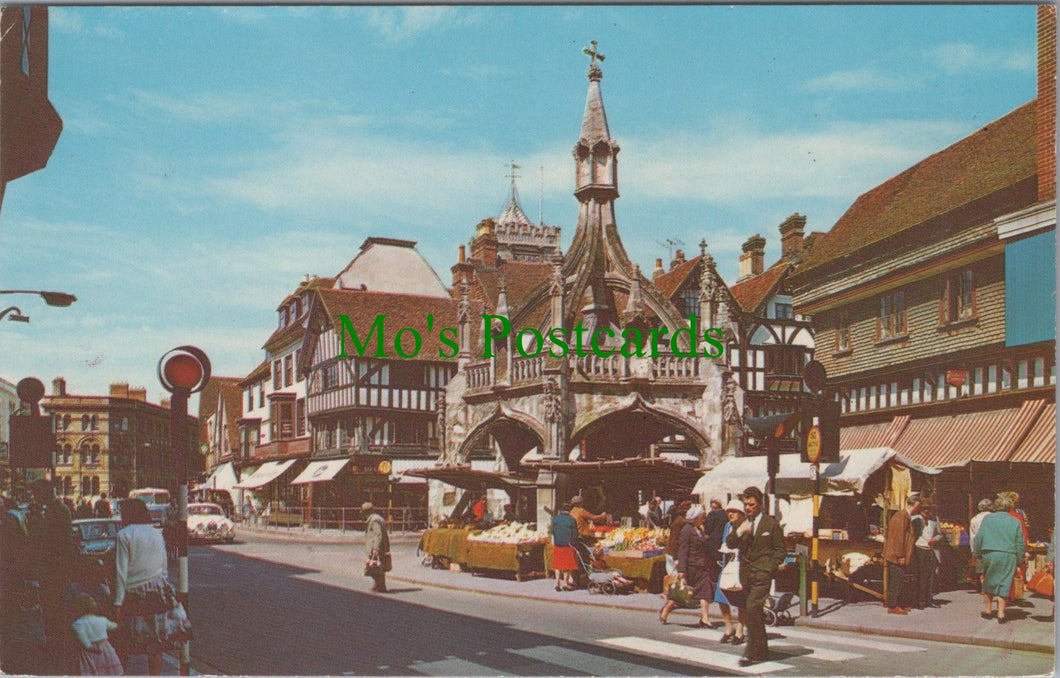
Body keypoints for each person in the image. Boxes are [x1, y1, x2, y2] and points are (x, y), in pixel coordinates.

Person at [114, 498, 191, 675]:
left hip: (133, 596)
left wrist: (117, 603)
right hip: (158, 594)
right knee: (155, 646)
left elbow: (120, 573)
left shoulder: (124, 535)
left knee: (124, 644)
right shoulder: (157, 534)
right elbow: (163, 567)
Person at [725, 487, 787, 668]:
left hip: (762, 574)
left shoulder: (770, 524)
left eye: (751, 504)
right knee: (756, 613)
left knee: (752, 609)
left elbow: (780, 550)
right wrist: (739, 531)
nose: (748, 508)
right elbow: (729, 543)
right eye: (746, 504)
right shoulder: (741, 522)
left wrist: (770, 567)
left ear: (760, 504)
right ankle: (762, 651)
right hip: (745, 574)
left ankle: (750, 654)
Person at [26, 478, 76, 672]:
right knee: (47, 608)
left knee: (56, 609)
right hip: (48, 570)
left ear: (45, 493)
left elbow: (57, 542)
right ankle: (52, 643)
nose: (34, 498)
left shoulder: (60, 511)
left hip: (57, 570)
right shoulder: (46, 511)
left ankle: (57, 647)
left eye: (36, 494)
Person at [972, 495, 1025, 624]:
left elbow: (979, 538)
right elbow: (1020, 543)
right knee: (1005, 582)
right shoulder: (1015, 521)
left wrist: (977, 553)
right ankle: (1001, 612)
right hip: (1008, 554)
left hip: (990, 552)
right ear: (1010, 507)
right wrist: (1019, 559)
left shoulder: (988, 519)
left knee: (989, 580)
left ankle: (988, 609)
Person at [676, 504, 718, 628]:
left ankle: (704, 619)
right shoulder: (686, 530)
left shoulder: (699, 529)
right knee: (681, 594)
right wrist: (682, 570)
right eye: (701, 517)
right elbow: (682, 550)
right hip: (690, 567)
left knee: (706, 591)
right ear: (695, 517)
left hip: (701, 566)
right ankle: (666, 609)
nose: (703, 519)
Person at [715, 499, 746, 646]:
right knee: (721, 597)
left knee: (741, 599)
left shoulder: (745, 525)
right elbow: (724, 542)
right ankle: (729, 627)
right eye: (729, 511)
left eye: (733, 511)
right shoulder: (727, 526)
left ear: (741, 513)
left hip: (740, 565)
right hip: (727, 565)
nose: (730, 514)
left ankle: (740, 629)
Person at [70, 593, 123, 675]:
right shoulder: (102, 620)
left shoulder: (78, 624)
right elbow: (115, 626)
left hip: (89, 653)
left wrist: (94, 650)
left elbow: (85, 643)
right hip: (106, 650)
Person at [882, 495, 918, 614]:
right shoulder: (902, 515)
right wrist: (900, 555)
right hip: (896, 556)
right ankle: (893, 606)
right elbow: (899, 536)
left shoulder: (904, 516)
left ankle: (898, 604)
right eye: (918, 506)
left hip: (898, 555)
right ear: (914, 505)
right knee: (896, 580)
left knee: (899, 580)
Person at [658, 500, 692, 624]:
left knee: (675, 577)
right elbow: (678, 541)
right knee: (677, 578)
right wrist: (678, 557)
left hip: (670, 551)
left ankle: (671, 598)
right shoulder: (681, 523)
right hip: (674, 552)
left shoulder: (677, 520)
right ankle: (671, 600)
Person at [911, 497, 943, 609]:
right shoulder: (915, 519)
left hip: (930, 549)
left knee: (930, 576)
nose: (928, 512)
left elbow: (939, 534)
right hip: (919, 549)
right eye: (925, 509)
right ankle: (919, 601)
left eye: (929, 509)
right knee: (920, 576)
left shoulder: (935, 519)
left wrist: (935, 539)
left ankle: (928, 599)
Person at [362, 502, 391, 593]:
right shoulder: (377, 518)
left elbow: (378, 535)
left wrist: (376, 548)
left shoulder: (374, 520)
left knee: (375, 567)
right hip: (379, 547)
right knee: (377, 566)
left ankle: (381, 586)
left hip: (376, 547)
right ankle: (378, 586)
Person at [550, 503, 578, 591]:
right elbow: (575, 534)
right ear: (570, 510)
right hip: (568, 544)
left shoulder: (555, 519)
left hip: (558, 544)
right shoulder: (572, 520)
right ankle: (565, 583)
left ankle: (557, 583)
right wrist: (573, 542)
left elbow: (552, 531)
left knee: (557, 565)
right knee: (566, 565)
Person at [969, 498, 994, 591]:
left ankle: (981, 586)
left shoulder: (974, 519)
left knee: (981, 568)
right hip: (992, 545)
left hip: (979, 546)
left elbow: (973, 537)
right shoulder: (993, 517)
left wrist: (973, 550)